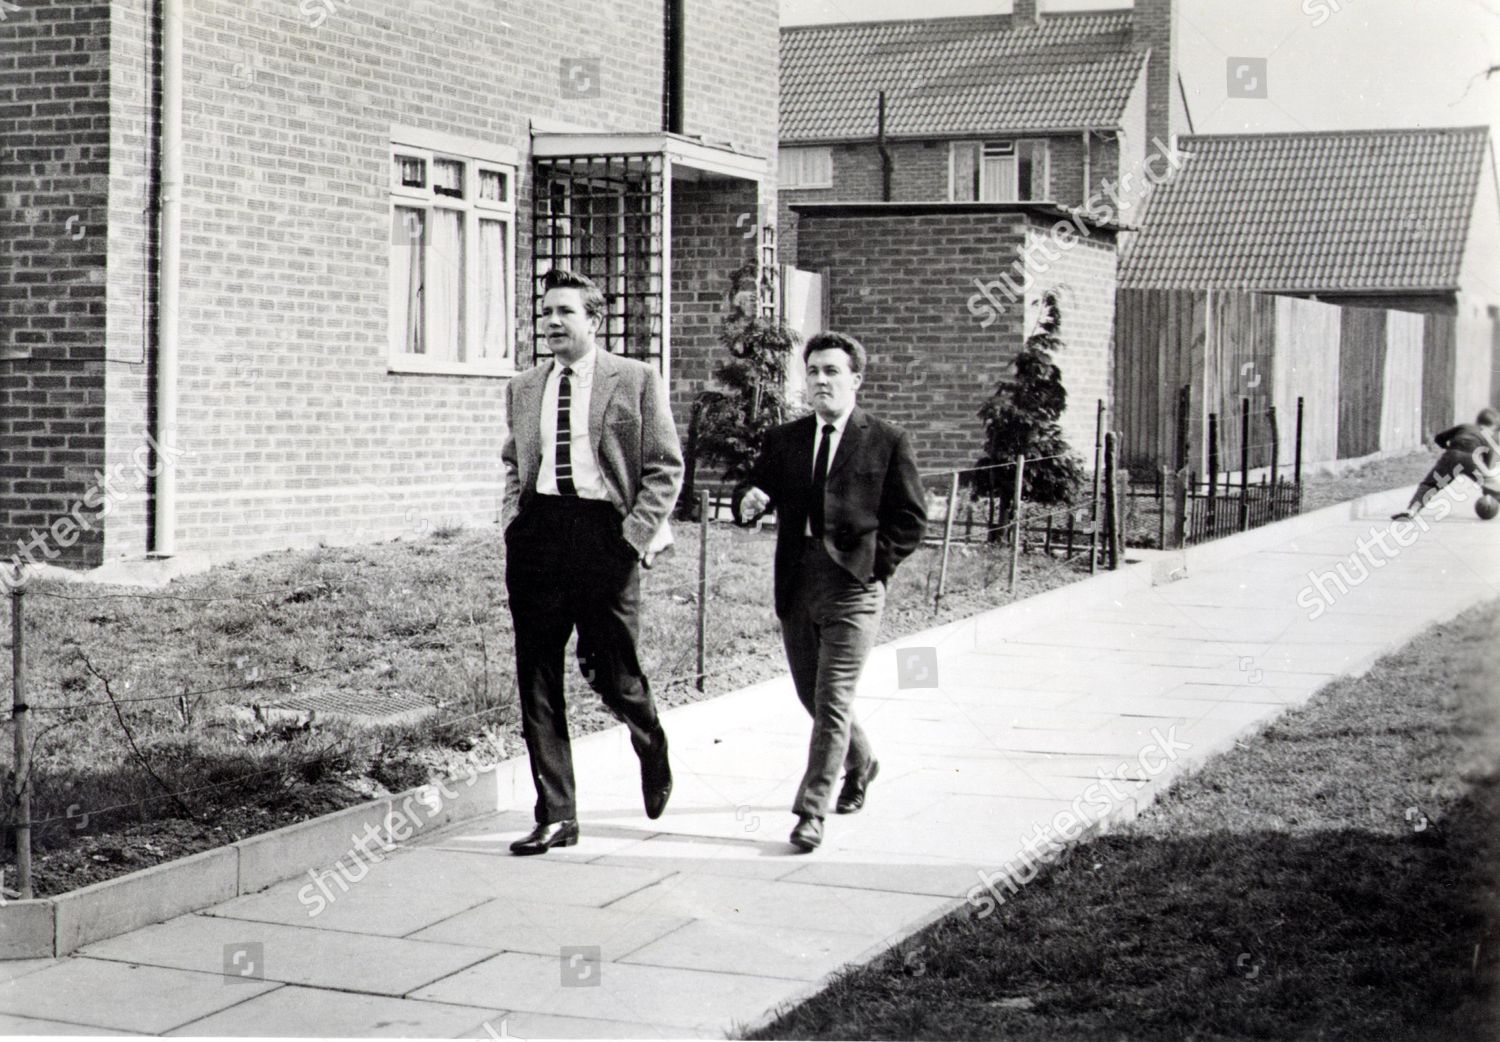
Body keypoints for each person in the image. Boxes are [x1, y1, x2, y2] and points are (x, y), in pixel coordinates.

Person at [501, 268, 684, 855]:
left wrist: (631, 539)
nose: (551, 322)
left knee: (612, 670)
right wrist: (513, 520)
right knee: (536, 673)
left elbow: (664, 466)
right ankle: (556, 812)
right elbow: (514, 460)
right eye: (546, 312)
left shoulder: (633, 379)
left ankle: (648, 735)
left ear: (594, 321)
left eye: (565, 313)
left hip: (606, 534)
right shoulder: (523, 386)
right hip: (540, 534)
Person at [735, 331, 927, 852]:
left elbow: (911, 519)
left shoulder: (886, 439)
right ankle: (862, 761)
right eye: (813, 371)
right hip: (798, 580)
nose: (820, 381)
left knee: (833, 697)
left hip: (853, 588)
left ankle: (810, 812)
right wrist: (749, 497)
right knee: (810, 694)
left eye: (832, 371)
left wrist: (873, 568)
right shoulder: (787, 439)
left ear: (855, 379)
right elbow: (757, 487)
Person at [1391, 407, 1499, 521]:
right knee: (1494, 486)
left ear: (1477, 421)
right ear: (1492, 426)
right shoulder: (1488, 437)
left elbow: (1439, 438)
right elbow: (1488, 465)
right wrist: (1487, 491)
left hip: (1451, 455)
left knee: (1429, 485)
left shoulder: (1465, 426)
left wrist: (1448, 449)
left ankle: (1411, 511)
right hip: (1471, 459)